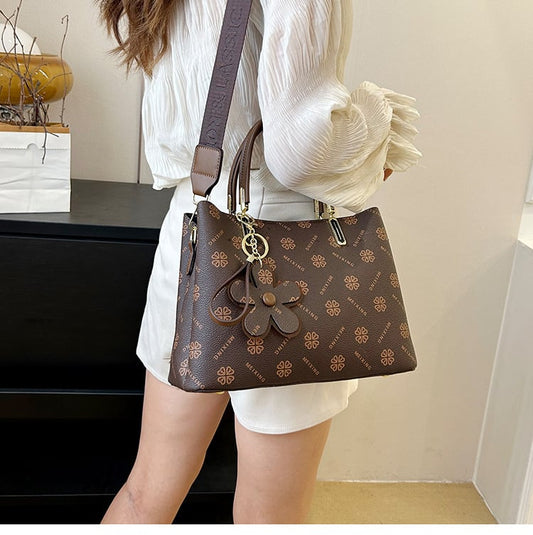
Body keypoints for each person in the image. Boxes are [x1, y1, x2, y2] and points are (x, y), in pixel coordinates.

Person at [98, 0, 421, 524]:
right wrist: (375, 125)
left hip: (194, 229)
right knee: (272, 516)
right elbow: (301, 152)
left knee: (147, 491)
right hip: (289, 245)